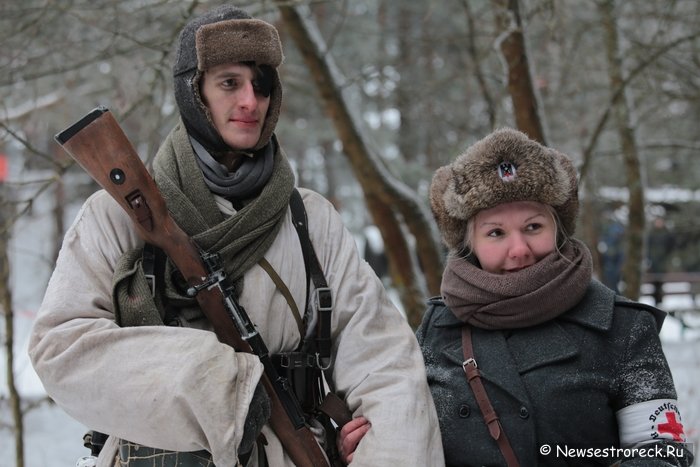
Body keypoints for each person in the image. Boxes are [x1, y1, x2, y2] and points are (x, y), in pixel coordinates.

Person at [28, 5, 443, 467]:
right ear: (194, 93)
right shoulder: (120, 213)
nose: (250, 101)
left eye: (261, 85)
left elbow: (386, 366)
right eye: (229, 83)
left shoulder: (311, 220)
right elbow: (63, 347)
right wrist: (212, 384)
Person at [339, 128, 694, 466]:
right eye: (495, 233)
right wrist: (373, 449)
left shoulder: (621, 327)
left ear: (558, 229)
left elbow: (663, 452)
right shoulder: (436, 330)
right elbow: (411, 442)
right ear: (470, 244)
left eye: (533, 227)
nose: (519, 249)